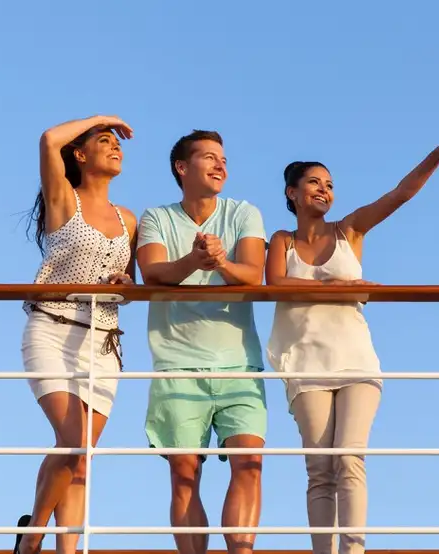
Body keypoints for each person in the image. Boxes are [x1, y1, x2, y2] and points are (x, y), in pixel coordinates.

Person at [265, 129, 439, 554]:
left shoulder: (350, 229)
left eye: (329, 184)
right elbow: (276, 284)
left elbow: (400, 195)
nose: (324, 190)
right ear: (292, 192)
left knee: (349, 457)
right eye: (314, 182)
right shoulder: (282, 241)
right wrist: (341, 286)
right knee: (319, 468)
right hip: (304, 362)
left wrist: (435, 155)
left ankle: (354, 551)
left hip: (355, 359)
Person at [136, 130, 267, 554]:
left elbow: (254, 274)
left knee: (250, 465)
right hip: (177, 363)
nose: (220, 165)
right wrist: (195, 259)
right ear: (182, 167)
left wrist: (221, 261)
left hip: (239, 363)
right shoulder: (156, 217)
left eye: (223, 159)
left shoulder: (244, 212)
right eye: (209, 157)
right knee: (184, 475)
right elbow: (152, 272)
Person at [14, 114, 138, 554]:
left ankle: (66, 550)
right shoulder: (64, 199)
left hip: (103, 343)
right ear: (80, 155)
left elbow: (129, 288)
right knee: (72, 441)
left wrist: (127, 285)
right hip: (52, 329)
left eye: (116, 142)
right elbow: (50, 139)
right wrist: (103, 118)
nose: (115, 146)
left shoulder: (128, 219)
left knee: (82, 456)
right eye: (104, 141)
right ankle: (32, 538)